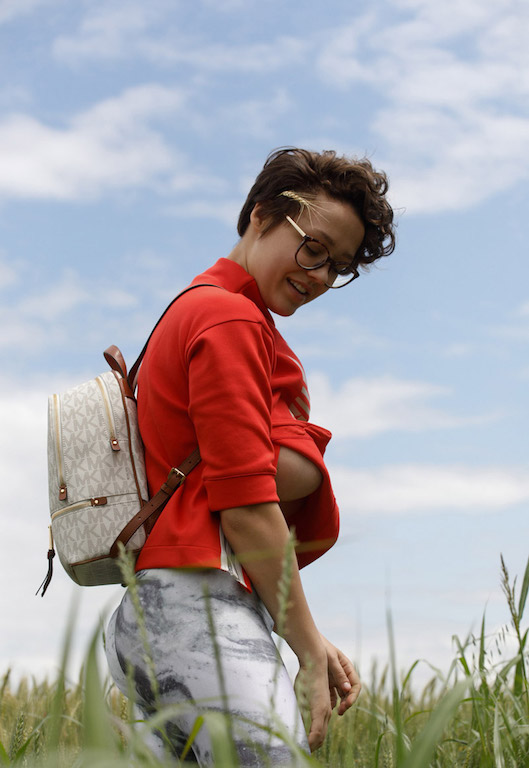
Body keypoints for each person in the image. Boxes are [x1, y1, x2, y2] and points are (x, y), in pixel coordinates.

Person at [105, 147, 395, 766]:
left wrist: (308, 635)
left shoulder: (198, 306)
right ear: (262, 216)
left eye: (338, 266)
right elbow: (243, 503)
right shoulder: (227, 318)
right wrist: (307, 650)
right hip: (193, 609)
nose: (320, 276)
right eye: (314, 248)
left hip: (165, 609)